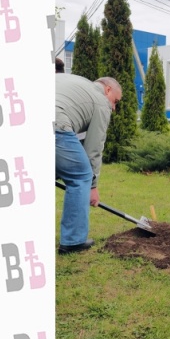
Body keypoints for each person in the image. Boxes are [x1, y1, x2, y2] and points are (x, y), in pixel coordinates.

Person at [55, 74, 122, 254]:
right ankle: (73, 241)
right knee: (80, 176)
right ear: (107, 89)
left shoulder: (77, 83)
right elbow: (94, 149)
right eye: (115, 101)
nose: (114, 108)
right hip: (55, 122)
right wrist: (92, 186)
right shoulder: (101, 102)